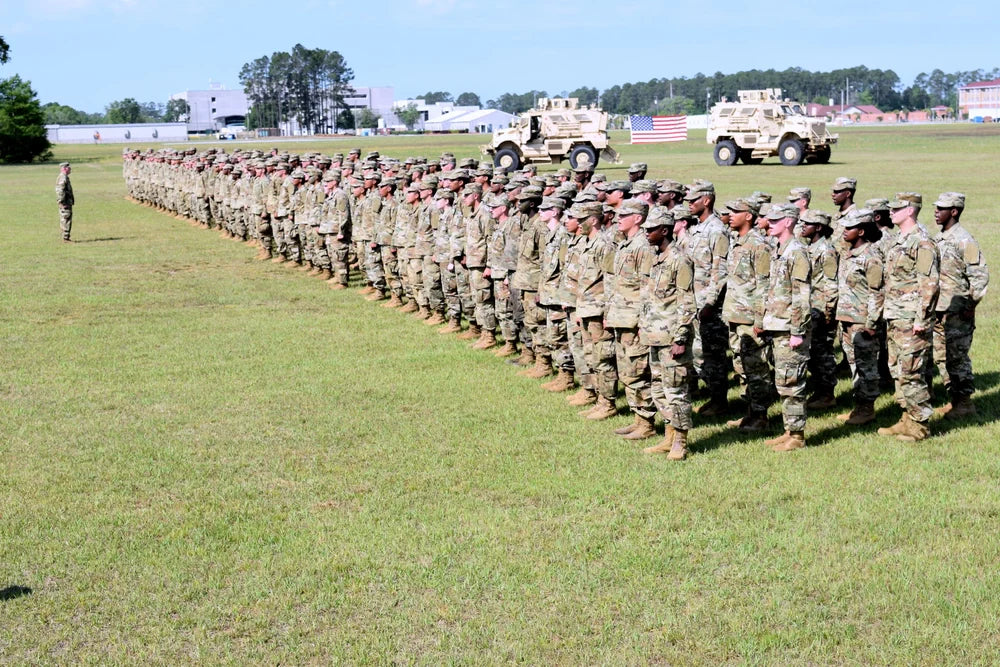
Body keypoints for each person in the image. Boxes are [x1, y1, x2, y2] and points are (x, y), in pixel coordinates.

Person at [877, 193, 939, 442]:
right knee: (898, 370)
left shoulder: (922, 242)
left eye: (897, 208)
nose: (891, 212)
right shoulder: (897, 240)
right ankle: (906, 418)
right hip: (895, 316)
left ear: (910, 210)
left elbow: (929, 284)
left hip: (912, 319)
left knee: (913, 372)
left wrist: (921, 320)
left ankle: (920, 426)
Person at [638, 207, 696, 459]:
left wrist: (681, 338)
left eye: (651, 229)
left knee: (676, 391)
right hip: (655, 335)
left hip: (672, 337)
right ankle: (668, 436)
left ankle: (680, 442)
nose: (646, 233)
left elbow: (687, 301)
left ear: (664, 230)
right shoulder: (657, 258)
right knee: (659, 389)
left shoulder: (679, 260)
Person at [759, 204, 813, 451]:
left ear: (789, 222)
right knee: (783, 381)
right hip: (777, 325)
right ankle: (788, 429)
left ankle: (798, 436)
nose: (769, 223)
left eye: (775, 220)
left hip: (790, 328)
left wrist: (797, 331)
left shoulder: (797, 252)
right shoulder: (779, 249)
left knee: (792, 382)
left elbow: (802, 296)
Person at [932, 192, 989, 419]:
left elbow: (980, 275)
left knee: (957, 357)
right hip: (939, 309)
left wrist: (970, 304)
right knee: (942, 357)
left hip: (957, 311)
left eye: (942, 208)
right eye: (936, 207)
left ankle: (965, 403)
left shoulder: (965, 240)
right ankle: (954, 399)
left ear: (954, 211)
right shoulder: (939, 238)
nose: (936, 211)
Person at [835, 209, 884, 425]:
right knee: (854, 365)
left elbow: (878, 292)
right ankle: (859, 407)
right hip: (847, 319)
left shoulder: (871, 258)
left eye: (849, 228)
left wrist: (872, 323)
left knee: (866, 367)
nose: (844, 231)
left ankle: (867, 408)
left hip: (862, 322)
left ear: (862, 231)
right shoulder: (848, 253)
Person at [56, 162, 74, 242]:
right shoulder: (63, 177)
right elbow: (60, 191)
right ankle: (65, 238)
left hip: (66, 201)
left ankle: (66, 237)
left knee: (66, 218)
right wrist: (62, 202)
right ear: (64, 168)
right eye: (68, 168)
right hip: (65, 202)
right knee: (66, 219)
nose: (70, 169)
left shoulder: (64, 177)